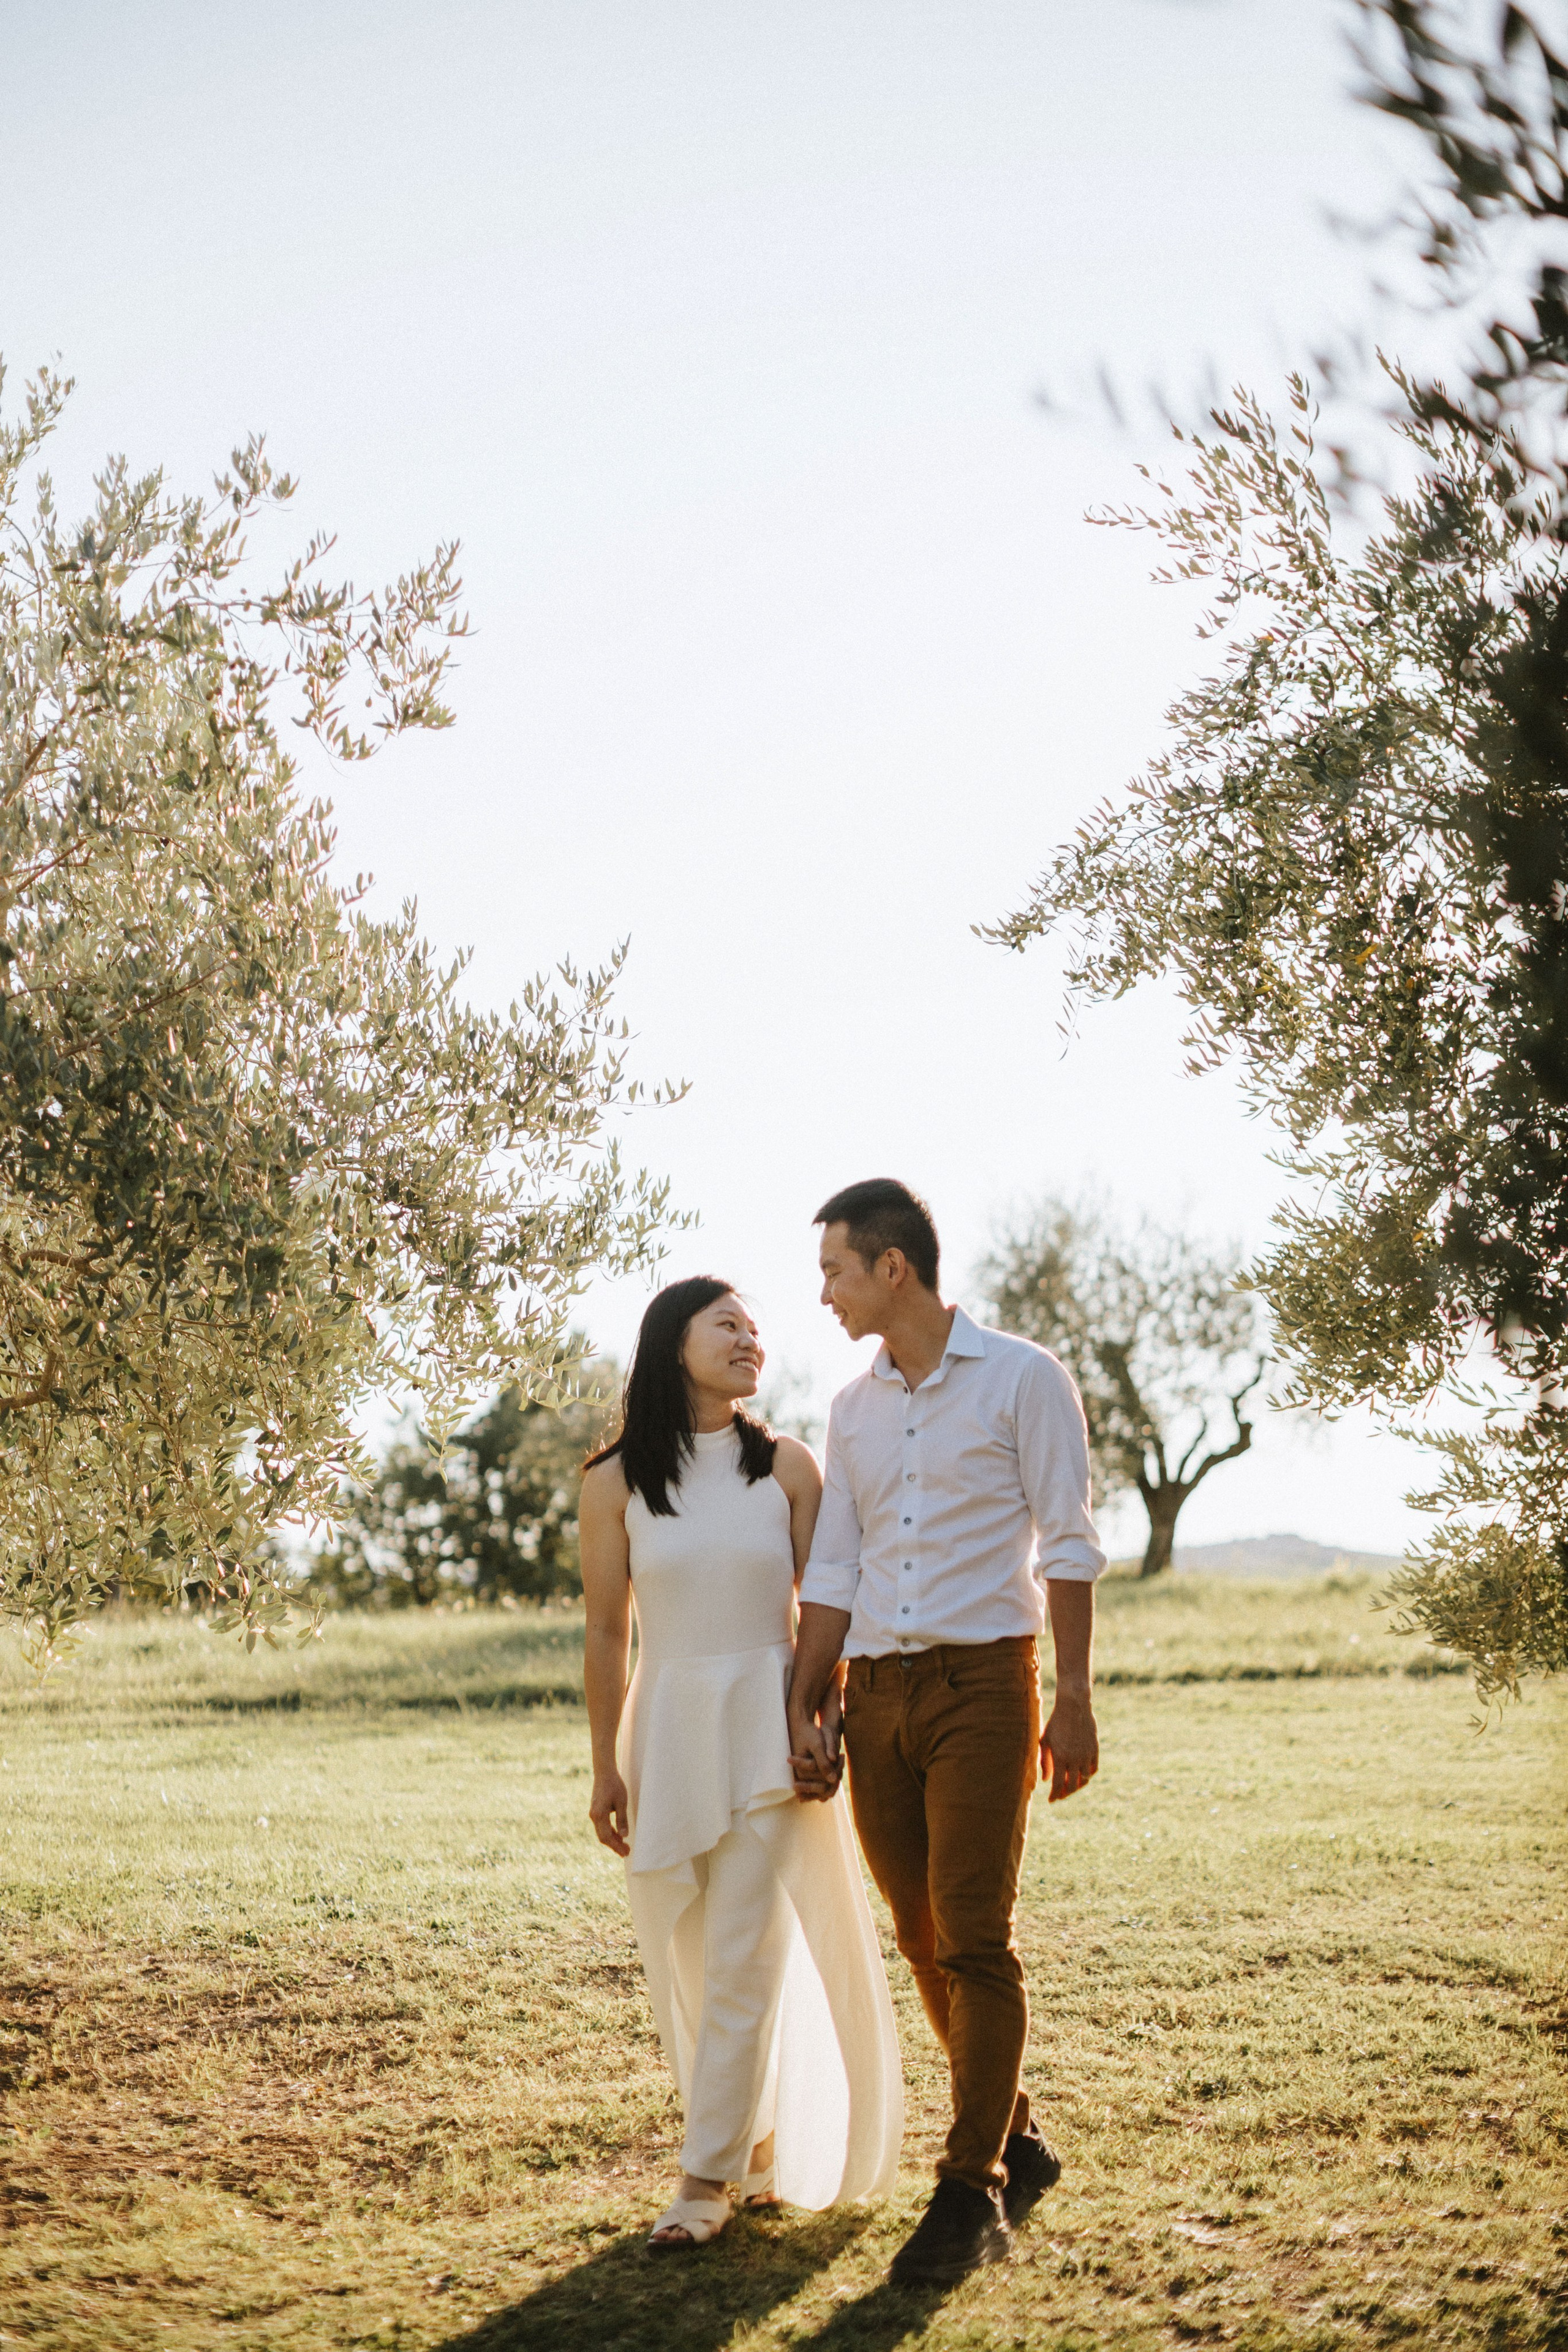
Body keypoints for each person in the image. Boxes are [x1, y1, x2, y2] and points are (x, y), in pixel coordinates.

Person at [787, 1178, 1105, 2287]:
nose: (822, 1291)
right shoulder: (851, 1409)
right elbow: (835, 1566)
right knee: (920, 1936)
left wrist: (1073, 1695)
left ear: (893, 1267)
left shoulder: (1023, 1379)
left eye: (834, 1268)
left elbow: (1067, 1542)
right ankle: (1017, 2133)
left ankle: (968, 2187)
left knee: (974, 1933)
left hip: (984, 1688)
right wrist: (806, 1699)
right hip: (873, 1696)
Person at [579, 1275, 903, 2252]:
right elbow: (605, 1633)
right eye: (728, 1325)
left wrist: (825, 1721)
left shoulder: (790, 1468)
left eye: (757, 1329)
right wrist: (604, 1768)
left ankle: (702, 2180)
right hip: (669, 1727)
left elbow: (825, 1613)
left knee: (743, 1958)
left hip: (771, 1726)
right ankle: (752, 2147)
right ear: (672, 1342)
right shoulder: (614, 1482)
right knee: (684, 1951)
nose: (750, 1339)